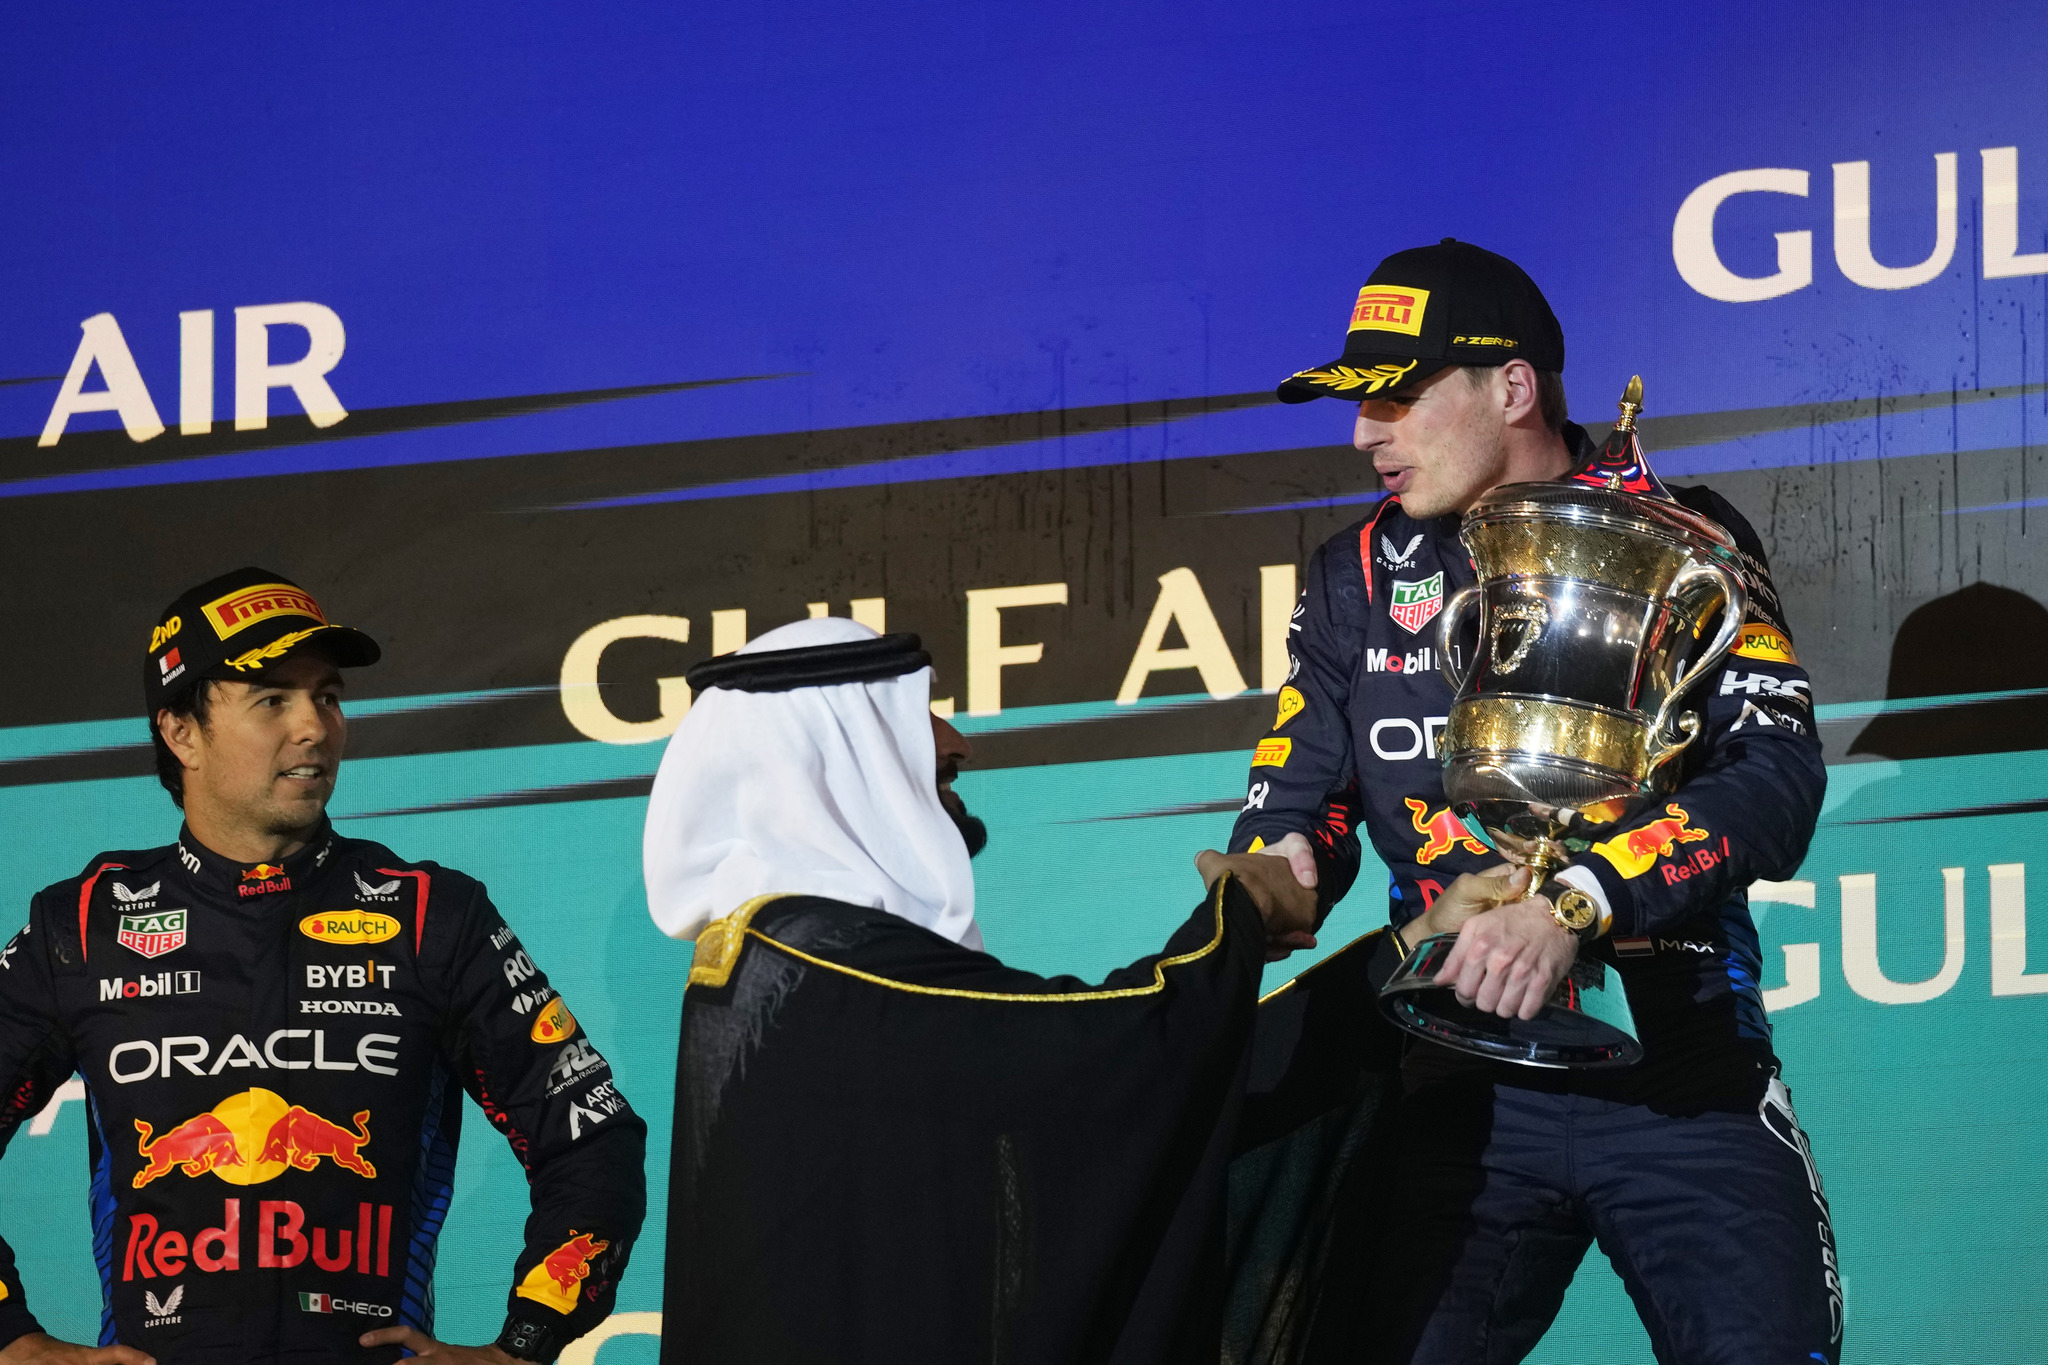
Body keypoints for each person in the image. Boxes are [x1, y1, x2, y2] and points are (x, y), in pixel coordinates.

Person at [1231, 241, 1840, 1363]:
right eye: (1359, 404)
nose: (1363, 435)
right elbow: (1299, 798)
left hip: (1680, 1067)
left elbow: (1773, 780)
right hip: (1452, 1085)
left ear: (1510, 387)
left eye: (1397, 399)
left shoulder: (1681, 535)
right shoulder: (1349, 577)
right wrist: (1267, 874)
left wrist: (1572, 903)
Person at [0, 568, 646, 1365]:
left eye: (328, 697)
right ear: (181, 731)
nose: (315, 726)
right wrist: (12, 1339)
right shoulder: (82, 925)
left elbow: (591, 1134)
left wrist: (524, 1341)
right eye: (272, 698)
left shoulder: (431, 915)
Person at [641, 617, 1325, 1365]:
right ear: (831, 750)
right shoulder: (830, 964)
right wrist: (1240, 914)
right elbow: (1100, 1057)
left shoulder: (780, 957)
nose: (955, 740)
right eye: (914, 707)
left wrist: (1394, 960)